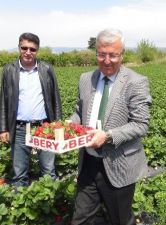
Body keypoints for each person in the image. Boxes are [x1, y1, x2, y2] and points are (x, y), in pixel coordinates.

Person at [70, 28, 152, 225]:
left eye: (113, 55)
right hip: (88, 161)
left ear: (122, 55)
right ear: (96, 52)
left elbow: (141, 124)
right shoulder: (85, 78)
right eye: (101, 54)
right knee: (81, 219)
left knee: (120, 219)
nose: (107, 60)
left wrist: (107, 136)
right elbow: (79, 112)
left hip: (118, 164)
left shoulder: (136, 82)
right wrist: (69, 125)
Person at [0, 32, 62, 186]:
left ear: (37, 50)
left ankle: (52, 204)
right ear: (19, 48)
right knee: (19, 173)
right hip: (20, 128)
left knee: (48, 170)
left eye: (32, 49)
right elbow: (3, 100)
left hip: (44, 128)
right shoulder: (9, 70)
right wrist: (3, 128)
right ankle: (21, 205)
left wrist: (57, 125)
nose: (28, 52)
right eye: (24, 48)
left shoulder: (46, 69)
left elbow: (55, 97)